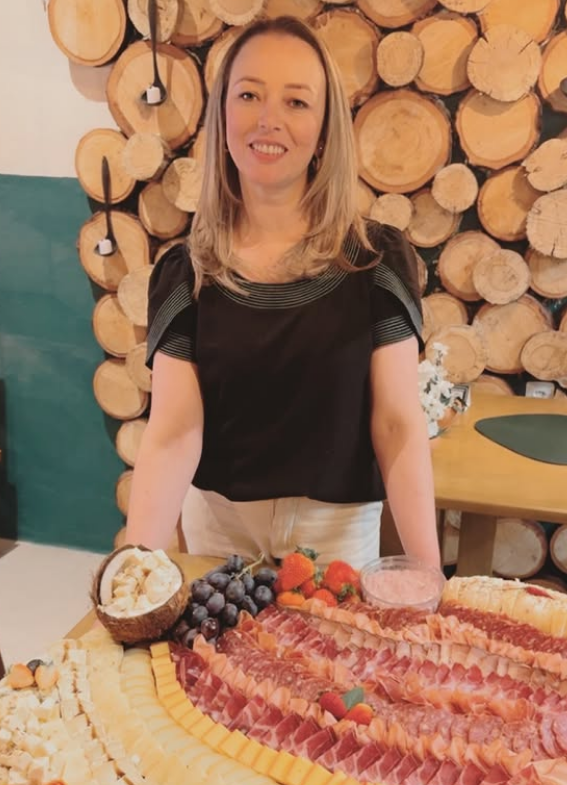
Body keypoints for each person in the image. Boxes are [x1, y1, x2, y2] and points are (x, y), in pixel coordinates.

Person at [125, 15, 441, 571]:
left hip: (338, 533)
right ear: (223, 113)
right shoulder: (185, 272)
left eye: (296, 102)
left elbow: (397, 424)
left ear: (324, 130)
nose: (269, 120)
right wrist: (134, 570)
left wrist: (426, 568)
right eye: (249, 95)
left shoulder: (376, 259)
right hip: (219, 526)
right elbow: (174, 433)